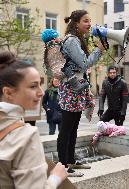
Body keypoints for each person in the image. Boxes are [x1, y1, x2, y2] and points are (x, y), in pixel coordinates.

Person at [0, 51, 67, 188]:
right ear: (8, 92)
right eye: (33, 86)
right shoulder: (26, 136)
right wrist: (56, 177)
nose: (40, 92)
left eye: (40, 85)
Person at [57, 10, 105, 176]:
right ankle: (62, 167)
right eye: (85, 21)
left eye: (89, 20)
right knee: (66, 128)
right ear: (76, 23)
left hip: (75, 88)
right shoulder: (71, 41)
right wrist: (98, 50)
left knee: (74, 127)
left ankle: (70, 160)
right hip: (70, 88)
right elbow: (84, 64)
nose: (89, 24)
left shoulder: (78, 39)